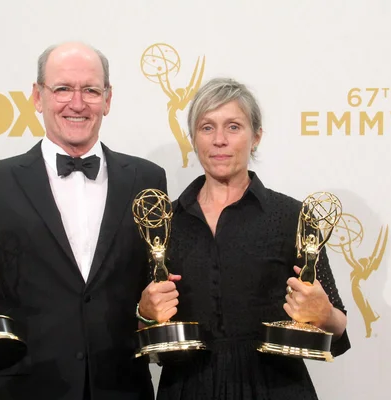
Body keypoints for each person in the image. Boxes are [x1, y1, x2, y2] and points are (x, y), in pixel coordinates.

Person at [0, 41, 166, 400]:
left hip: (122, 387)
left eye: (90, 90)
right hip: (26, 388)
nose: (77, 103)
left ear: (107, 99)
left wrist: (151, 312)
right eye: (62, 89)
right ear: (38, 96)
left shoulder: (147, 179)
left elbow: (156, 286)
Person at [137, 77, 350, 399]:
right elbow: (141, 328)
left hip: (275, 388)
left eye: (233, 127)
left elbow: (337, 326)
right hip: (187, 389)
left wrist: (325, 314)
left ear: (256, 137)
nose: (219, 140)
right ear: (193, 138)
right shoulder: (163, 222)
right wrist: (144, 313)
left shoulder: (293, 216)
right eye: (207, 127)